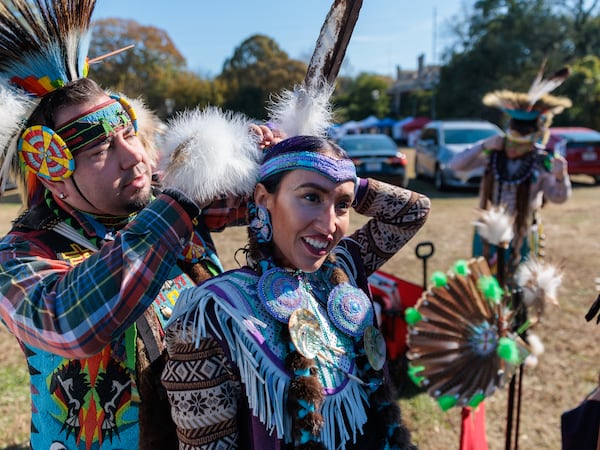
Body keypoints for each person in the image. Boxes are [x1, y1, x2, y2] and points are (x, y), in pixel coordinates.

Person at [0, 2, 273, 448]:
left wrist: (279, 158)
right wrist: (180, 200)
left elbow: (266, 198)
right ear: (54, 171)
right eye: (101, 151)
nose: (134, 157)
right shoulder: (20, 255)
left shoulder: (166, 201)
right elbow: (69, 323)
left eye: (129, 134)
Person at [161, 134, 430, 449]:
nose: (330, 225)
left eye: (343, 204)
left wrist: (333, 169)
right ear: (262, 200)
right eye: (311, 197)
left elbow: (412, 210)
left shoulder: (344, 269)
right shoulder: (214, 314)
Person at [449, 66, 572, 280]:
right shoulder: (492, 154)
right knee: (484, 287)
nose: (514, 149)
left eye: (522, 144)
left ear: (536, 139)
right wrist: (483, 145)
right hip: (487, 232)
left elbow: (558, 198)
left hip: (522, 234)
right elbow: (455, 165)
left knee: (520, 290)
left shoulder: (542, 162)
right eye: (512, 142)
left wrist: (561, 176)